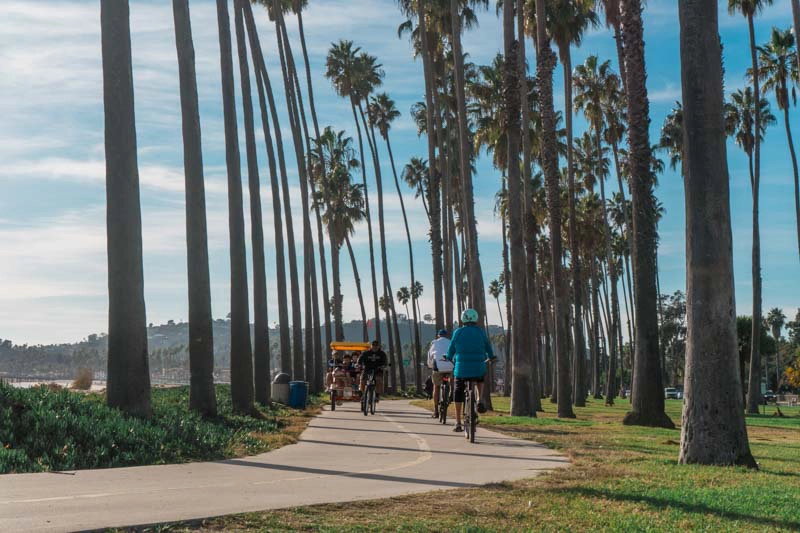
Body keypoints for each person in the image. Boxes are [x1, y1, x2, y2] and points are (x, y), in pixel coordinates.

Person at [445, 309, 495, 432]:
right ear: (475, 319)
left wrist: (448, 356)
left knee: (458, 392)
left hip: (461, 369)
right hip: (478, 366)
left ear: (463, 319)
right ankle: (479, 399)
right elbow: (488, 346)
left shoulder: (458, 332)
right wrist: (491, 356)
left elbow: (451, 349)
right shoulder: (480, 332)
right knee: (480, 378)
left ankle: (457, 423)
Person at [427, 329, 453, 418]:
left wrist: (430, 365)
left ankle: (436, 411)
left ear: (438, 336)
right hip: (450, 367)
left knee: (436, 386)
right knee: (452, 378)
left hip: (438, 368)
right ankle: (450, 392)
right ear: (447, 336)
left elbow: (430, 356)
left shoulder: (434, 343)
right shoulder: (451, 342)